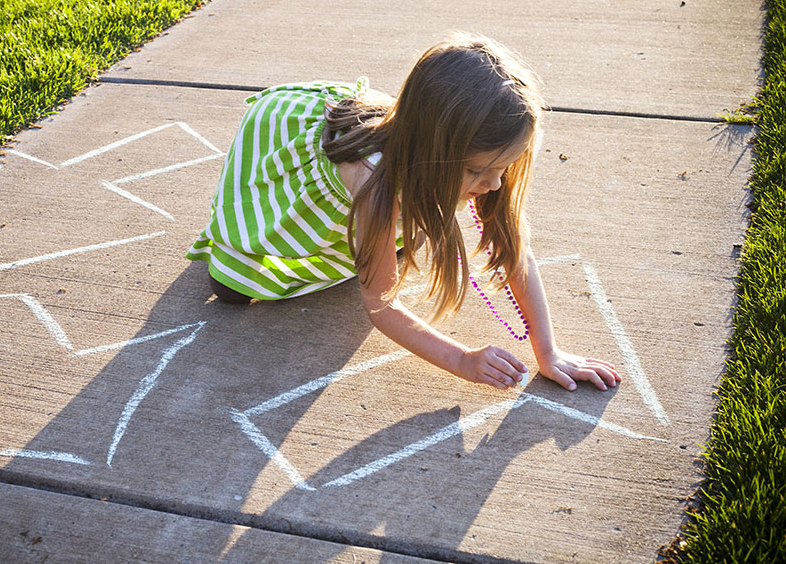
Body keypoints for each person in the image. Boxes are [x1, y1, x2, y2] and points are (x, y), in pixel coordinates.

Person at [186, 33, 621, 392]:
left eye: (503, 168)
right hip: (302, 155)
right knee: (231, 289)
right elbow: (381, 305)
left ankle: (388, 232)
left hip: (403, 166)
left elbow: (512, 249)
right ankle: (241, 252)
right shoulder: (376, 186)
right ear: (436, 152)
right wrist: (463, 360)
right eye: (478, 171)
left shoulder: (481, 159)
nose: (494, 184)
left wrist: (548, 351)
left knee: (394, 237)